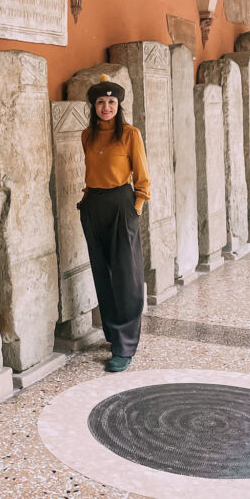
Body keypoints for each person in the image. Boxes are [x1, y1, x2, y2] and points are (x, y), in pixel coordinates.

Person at [78, 74, 150, 373]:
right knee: (103, 273)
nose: (106, 107)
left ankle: (125, 344)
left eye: (111, 102)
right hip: (94, 205)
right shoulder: (87, 135)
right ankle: (112, 333)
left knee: (126, 274)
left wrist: (136, 208)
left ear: (119, 105)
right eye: (100, 102)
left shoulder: (130, 134)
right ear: (93, 106)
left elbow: (142, 177)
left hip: (122, 205)